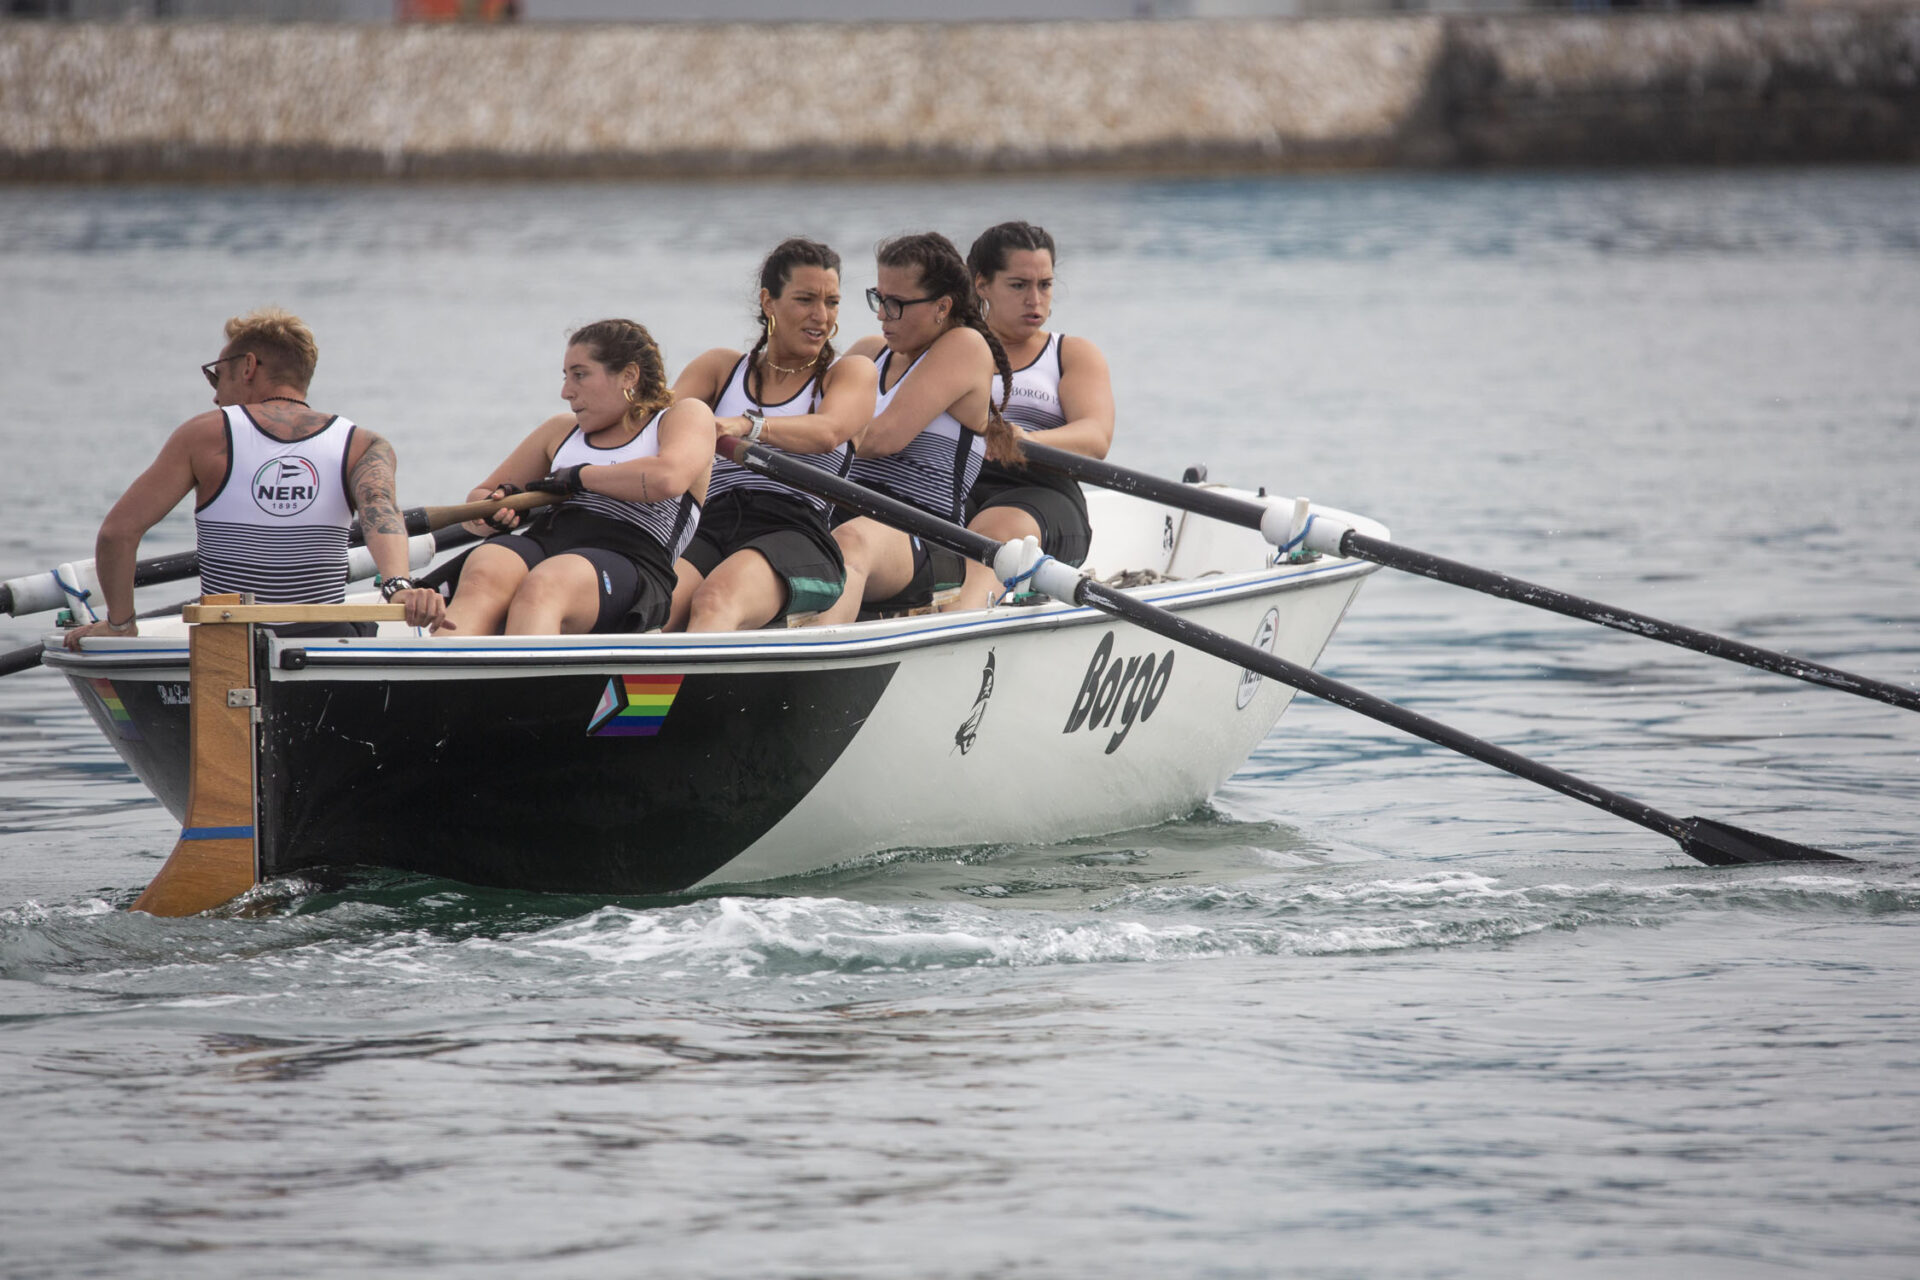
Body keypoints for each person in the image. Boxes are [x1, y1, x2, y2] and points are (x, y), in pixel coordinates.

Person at [63, 307, 444, 651]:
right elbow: (382, 517)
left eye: (218, 376)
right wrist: (399, 586)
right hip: (326, 641)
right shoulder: (363, 444)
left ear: (248, 366)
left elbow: (118, 534)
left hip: (229, 645)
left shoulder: (203, 436)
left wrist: (120, 625)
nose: (215, 397)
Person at [440, 319, 715, 636]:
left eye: (580, 375)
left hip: (632, 556)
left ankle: (524, 683)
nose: (566, 392)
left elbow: (668, 479)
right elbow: (477, 501)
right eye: (566, 377)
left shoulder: (681, 417)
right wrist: (493, 513)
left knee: (547, 584)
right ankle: (434, 676)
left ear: (629, 375)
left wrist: (580, 477)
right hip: (550, 540)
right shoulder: (560, 431)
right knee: (487, 564)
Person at [811, 232, 1021, 625]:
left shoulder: (966, 346)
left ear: (942, 306)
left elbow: (880, 438)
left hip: (927, 536)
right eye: (879, 299)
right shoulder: (868, 353)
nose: (881, 315)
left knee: (851, 544)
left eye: (896, 305)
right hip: (842, 511)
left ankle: (810, 670)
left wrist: (769, 432)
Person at [669, 238, 877, 631]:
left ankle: (699, 693)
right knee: (656, 606)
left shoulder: (848, 374)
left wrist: (748, 426)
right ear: (769, 302)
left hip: (797, 533)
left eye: (832, 302)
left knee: (715, 599)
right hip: (713, 522)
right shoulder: (719, 368)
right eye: (805, 300)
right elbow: (654, 428)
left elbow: (828, 433)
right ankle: (639, 694)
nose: (821, 317)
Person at [951, 221, 1116, 611]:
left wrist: (1026, 441)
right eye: (1019, 285)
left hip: (1045, 492)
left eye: (1044, 284)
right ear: (982, 285)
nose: (1035, 300)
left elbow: (1095, 438)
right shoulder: (949, 349)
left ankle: (956, 623)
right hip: (960, 485)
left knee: (992, 534)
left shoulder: (1070, 354)